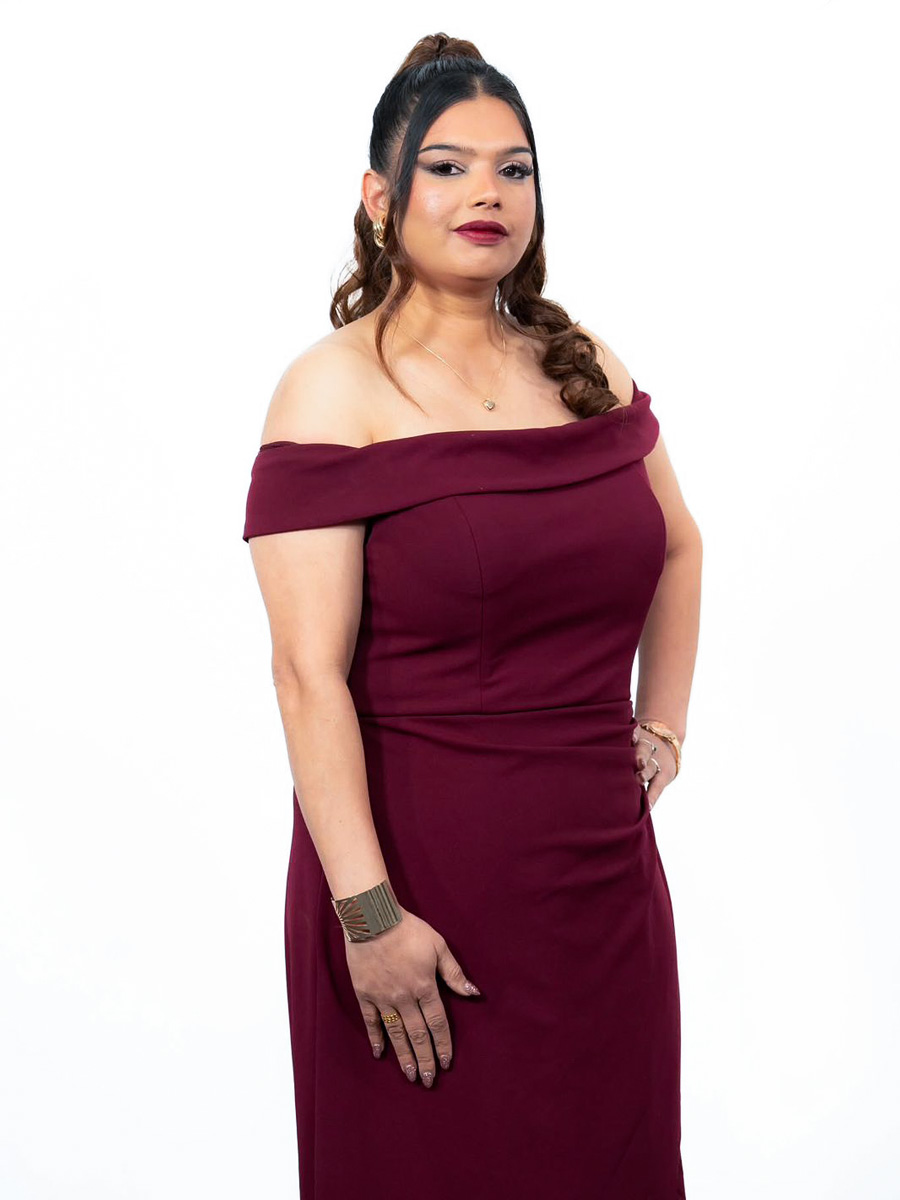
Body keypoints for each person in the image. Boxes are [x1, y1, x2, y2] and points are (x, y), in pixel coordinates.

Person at [242, 31, 701, 1200]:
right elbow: (305, 676)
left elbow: (677, 544)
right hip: (416, 893)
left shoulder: (583, 361)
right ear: (380, 197)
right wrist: (369, 918)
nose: (486, 194)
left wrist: (664, 725)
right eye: (446, 168)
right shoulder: (332, 389)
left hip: (599, 888)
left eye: (514, 168)